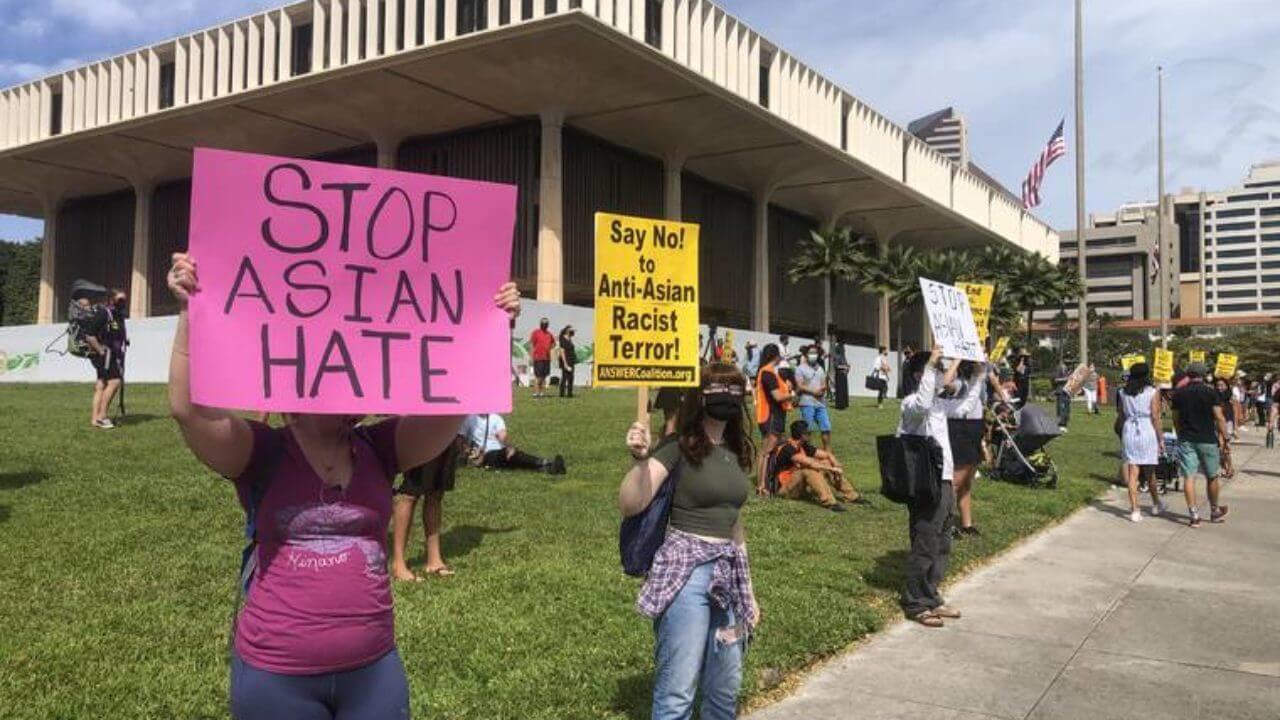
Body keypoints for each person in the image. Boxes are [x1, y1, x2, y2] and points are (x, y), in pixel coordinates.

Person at [164, 252, 521, 720]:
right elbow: (189, 411)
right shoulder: (263, 452)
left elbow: (450, 408)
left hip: (373, 672)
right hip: (276, 675)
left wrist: (492, 328)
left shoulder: (378, 447)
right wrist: (192, 311)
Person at [619, 362, 760, 720]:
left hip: (728, 575)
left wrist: (749, 591)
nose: (727, 396)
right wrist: (639, 459)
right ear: (700, 395)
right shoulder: (678, 446)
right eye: (717, 387)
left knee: (725, 688)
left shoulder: (734, 451)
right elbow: (630, 503)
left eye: (735, 388)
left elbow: (734, 521)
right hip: (687, 575)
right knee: (678, 692)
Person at [897, 345, 962, 627]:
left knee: (942, 540)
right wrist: (931, 361)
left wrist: (962, 358)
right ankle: (916, 601)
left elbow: (961, 394)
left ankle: (931, 593)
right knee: (925, 540)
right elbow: (922, 403)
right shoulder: (912, 404)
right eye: (935, 371)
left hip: (945, 480)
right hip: (925, 482)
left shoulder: (939, 404)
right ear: (919, 374)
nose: (941, 376)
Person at [391, 439, 462, 582]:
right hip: (423, 428)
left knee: (436, 492)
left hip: (448, 429)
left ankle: (434, 560)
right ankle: (398, 563)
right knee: (410, 492)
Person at [1172, 362, 1231, 528]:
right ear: (1204, 375)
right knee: (1212, 476)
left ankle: (1194, 514)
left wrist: (1180, 433)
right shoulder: (1210, 393)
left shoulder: (1179, 393)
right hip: (1207, 439)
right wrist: (1225, 437)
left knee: (1189, 476)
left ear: (1188, 375)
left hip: (1186, 439)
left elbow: (1176, 418)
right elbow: (1219, 417)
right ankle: (1214, 510)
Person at [771, 420, 865, 511]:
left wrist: (836, 464)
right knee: (809, 469)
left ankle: (852, 496)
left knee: (826, 462)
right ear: (802, 435)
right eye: (808, 433)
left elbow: (827, 454)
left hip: (799, 486)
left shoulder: (803, 446)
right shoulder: (787, 448)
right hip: (785, 489)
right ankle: (829, 502)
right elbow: (810, 463)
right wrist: (833, 469)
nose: (810, 435)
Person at [945, 361, 992, 538]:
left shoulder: (979, 382)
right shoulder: (960, 383)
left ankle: (967, 523)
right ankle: (945, 524)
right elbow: (947, 383)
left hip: (974, 429)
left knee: (966, 482)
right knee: (955, 481)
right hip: (959, 430)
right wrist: (956, 360)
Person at [1117, 363, 1166, 523]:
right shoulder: (1152, 391)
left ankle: (1135, 509)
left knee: (1133, 471)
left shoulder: (1123, 392)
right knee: (1150, 470)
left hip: (1129, 429)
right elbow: (1155, 416)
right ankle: (1156, 503)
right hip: (1146, 429)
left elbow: (1122, 414)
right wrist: (1160, 438)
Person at [462, 413, 566, 475]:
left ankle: (547, 468)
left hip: (500, 451)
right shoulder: (468, 418)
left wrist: (510, 447)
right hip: (485, 454)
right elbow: (460, 440)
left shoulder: (495, 417)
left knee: (513, 456)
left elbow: (503, 436)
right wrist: (468, 452)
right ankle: (545, 462)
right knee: (511, 458)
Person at [754, 343, 795, 495]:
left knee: (769, 452)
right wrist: (791, 394)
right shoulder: (768, 373)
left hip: (772, 417)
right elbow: (777, 396)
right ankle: (761, 486)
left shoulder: (767, 372)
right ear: (775, 356)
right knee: (765, 452)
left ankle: (766, 483)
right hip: (770, 417)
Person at [82, 294, 124, 429]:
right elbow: (89, 335)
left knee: (101, 384)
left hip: (110, 354)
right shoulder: (103, 313)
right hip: (104, 354)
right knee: (115, 381)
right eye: (120, 299)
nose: (123, 302)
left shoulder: (117, 315)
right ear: (111, 300)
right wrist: (100, 350)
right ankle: (102, 416)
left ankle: (95, 419)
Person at [794, 345, 832, 451]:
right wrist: (813, 392)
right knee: (807, 429)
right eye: (811, 353)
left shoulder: (820, 368)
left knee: (826, 428)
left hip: (820, 403)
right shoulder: (800, 369)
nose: (813, 355)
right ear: (806, 354)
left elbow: (824, 383)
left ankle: (827, 452)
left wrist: (823, 389)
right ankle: (806, 452)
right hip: (806, 402)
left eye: (815, 353)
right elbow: (800, 385)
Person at [529, 318, 555, 398]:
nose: (544, 325)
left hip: (546, 358)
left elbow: (553, 343)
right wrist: (531, 356)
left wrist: (549, 348)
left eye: (546, 324)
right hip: (538, 358)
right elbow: (531, 345)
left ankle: (542, 392)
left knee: (544, 376)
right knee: (538, 376)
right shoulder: (535, 332)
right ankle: (536, 392)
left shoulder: (549, 334)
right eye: (543, 323)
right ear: (540, 324)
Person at [830, 334, 850, 411]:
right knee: (840, 389)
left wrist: (847, 367)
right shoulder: (837, 352)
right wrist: (844, 367)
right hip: (839, 373)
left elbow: (845, 361)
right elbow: (836, 365)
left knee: (844, 389)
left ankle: (844, 404)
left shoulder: (842, 353)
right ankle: (840, 405)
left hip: (843, 373)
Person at [558, 325, 577, 398]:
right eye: (571, 331)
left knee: (571, 377)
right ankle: (562, 394)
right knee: (564, 377)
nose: (573, 333)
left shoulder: (569, 339)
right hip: (565, 361)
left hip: (571, 360)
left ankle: (569, 393)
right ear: (567, 331)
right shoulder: (563, 339)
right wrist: (565, 364)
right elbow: (562, 352)